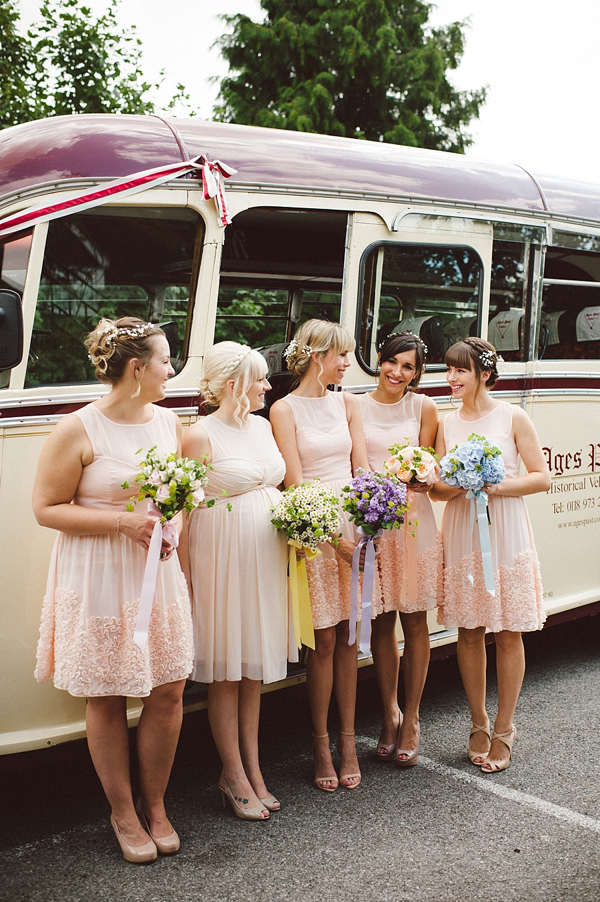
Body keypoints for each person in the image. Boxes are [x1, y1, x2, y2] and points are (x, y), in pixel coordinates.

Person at [33, 316, 193, 863]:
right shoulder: (77, 428)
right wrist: (123, 524)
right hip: (100, 569)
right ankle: (122, 813)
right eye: (167, 361)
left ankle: (157, 805)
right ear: (137, 368)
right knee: (106, 693)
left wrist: (174, 529)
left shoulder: (171, 424)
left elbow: (180, 497)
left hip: (157, 570)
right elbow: (45, 509)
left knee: (169, 688)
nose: (172, 370)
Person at [180, 342, 293, 821]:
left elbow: (274, 485)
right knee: (227, 671)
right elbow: (183, 514)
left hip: (264, 558)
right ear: (235, 385)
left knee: (252, 669)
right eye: (262, 378)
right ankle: (232, 773)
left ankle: (253, 767)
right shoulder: (199, 436)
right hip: (220, 559)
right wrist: (184, 579)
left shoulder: (264, 426)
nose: (269, 385)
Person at [431, 337, 550, 772]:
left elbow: (541, 478)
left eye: (459, 371)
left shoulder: (513, 415)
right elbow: (440, 490)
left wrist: (490, 483)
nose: (451, 379)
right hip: (464, 526)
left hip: (505, 526)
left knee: (507, 631)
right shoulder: (447, 423)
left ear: (483, 373)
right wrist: (458, 482)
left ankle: (504, 727)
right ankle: (478, 720)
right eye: (449, 370)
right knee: (468, 628)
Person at [270, 319, 369, 792]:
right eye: (343, 356)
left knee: (350, 636)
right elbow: (293, 485)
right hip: (316, 530)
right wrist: (335, 540)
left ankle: (349, 740)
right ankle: (321, 742)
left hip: (354, 521)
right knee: (324, 643)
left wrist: (372, 517)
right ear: (317, 357)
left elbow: (362, 467)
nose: (348, 363)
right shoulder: (284, 410)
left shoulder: (348, 402)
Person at [356, 331, 441, 767]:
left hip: (413, 522)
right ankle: (388, 713)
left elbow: (430, 466)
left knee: (415, 619)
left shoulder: (423, 407)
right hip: (375, 523)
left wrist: (424, 479)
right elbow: (356, 464)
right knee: (382, 619)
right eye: (393, 362)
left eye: (408, 367)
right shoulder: (356, 405)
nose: (398, 373)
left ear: (417, 372)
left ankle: (412, 717)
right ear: (379, 359)